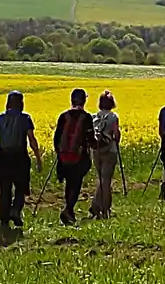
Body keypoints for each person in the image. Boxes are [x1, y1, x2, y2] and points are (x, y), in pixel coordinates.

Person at [0, 90, 41, 228]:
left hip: (3, 157)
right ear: (21, 103)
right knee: (20, 186)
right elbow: (31, 139)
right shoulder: (25, 118)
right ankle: (16, 210)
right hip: (20, 157)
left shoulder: (0, 118)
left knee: (5, 187)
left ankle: (4, 216)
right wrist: (38, 157)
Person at [52, 87, 96, 224]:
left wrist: (59, 153)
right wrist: (96, 145)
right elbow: (90, 137)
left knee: (68, 183)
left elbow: (56, 137)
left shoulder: (63, 116)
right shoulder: (86, 117)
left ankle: (69, 211)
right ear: (84, 101)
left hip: (64, 157)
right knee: (76, 184)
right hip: (79, 157)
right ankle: (68, 209)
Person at [90, 89, 122, 219]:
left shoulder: (93, 117)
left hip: (96, 150)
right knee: (106, 181)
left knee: (101, 179)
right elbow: (116, 135)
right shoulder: (113, 117)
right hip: (109, 150)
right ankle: (101, 208)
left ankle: (102, 207)